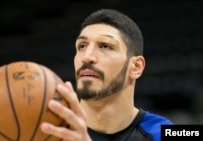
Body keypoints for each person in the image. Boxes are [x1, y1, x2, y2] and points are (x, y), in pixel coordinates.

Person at [40, 8, 174, 141]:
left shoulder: (166, 131)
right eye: (82, 46)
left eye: (105, 46)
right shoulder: (45, 129)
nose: (87, 57)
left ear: (136, 67)